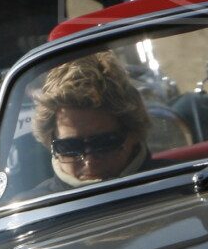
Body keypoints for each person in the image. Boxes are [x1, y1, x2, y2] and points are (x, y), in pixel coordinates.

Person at [30, 53, 151, 186]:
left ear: (134, 134)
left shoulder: (168, 183)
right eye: (70, 147)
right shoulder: (36, 200)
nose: (89, 161)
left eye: (104, 143)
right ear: (51, 144)